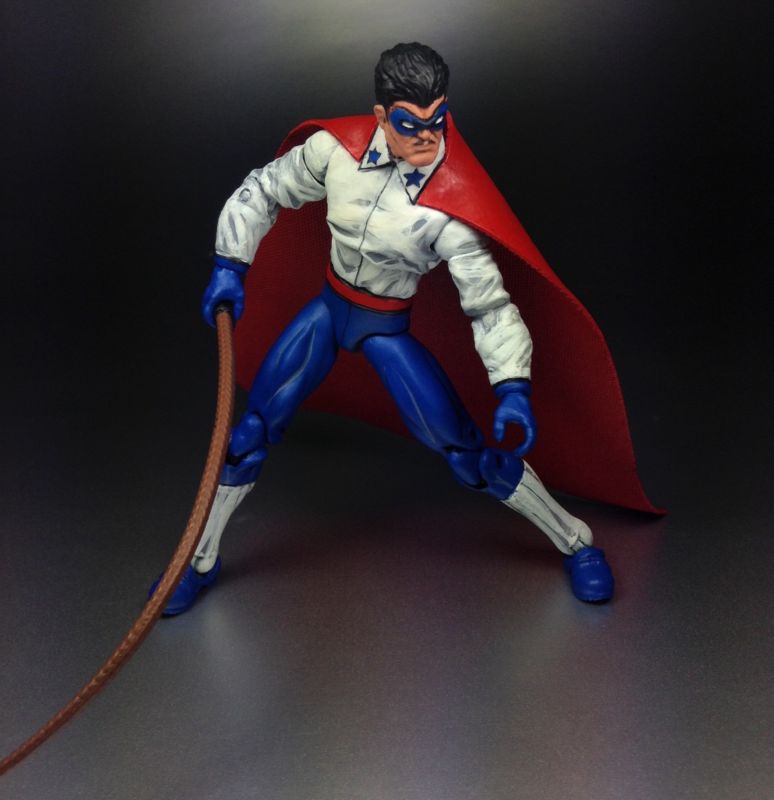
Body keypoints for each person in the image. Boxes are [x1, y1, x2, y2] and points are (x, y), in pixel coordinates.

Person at [151, 42, 616, 615]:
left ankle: (576, 541)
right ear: (381, 115)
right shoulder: (335, 152)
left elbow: (489, 306)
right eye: (409, 123)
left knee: (470, 455)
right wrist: (231, 262)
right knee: (249, 435)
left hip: (386, 327)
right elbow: (265, 189)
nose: (427, 138)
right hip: (328, 311)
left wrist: (512, 386)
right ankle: (201, 560)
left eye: (437, 121)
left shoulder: (451, 206)